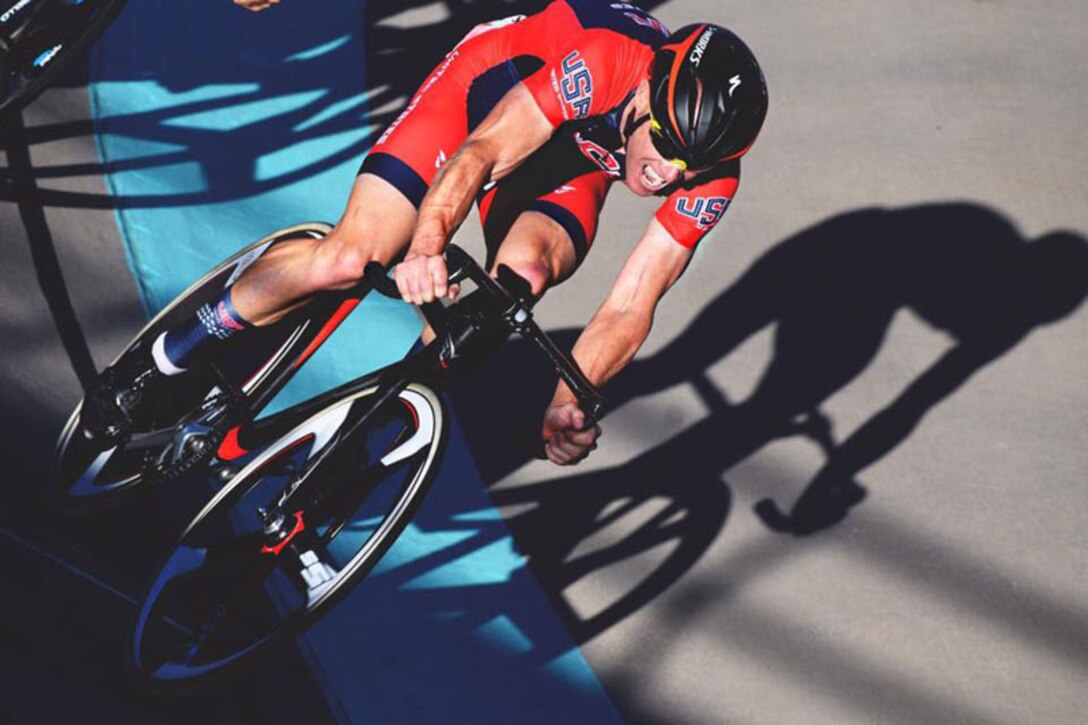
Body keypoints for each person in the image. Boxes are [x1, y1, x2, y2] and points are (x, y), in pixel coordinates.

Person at [89, 0, 769, 466]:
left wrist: (571, 398)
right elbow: (481, 154)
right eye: (667, 148)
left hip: (567, 161)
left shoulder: (714, 179)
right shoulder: (604, 60)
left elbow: (633, 301)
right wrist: (425, 245)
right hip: (487, 98)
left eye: (690, 168)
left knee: (510, 294)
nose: (666, 174)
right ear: (648, 95)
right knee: (351, 257)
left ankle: (349, 456)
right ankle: (167, 358)